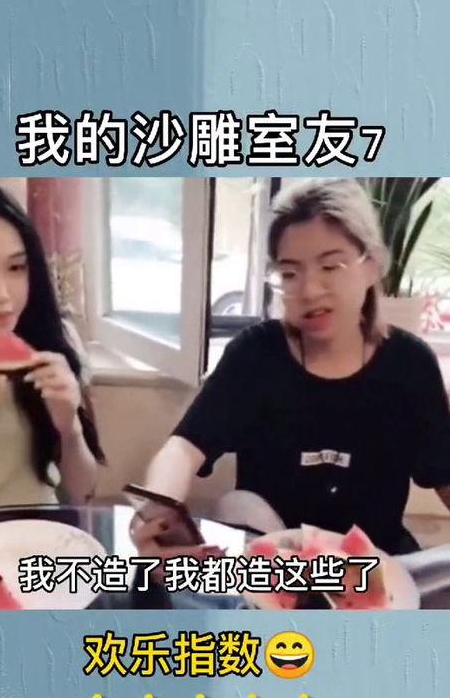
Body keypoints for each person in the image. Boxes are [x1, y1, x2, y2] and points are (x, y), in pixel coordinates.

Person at [133, 177, 450, 560]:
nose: (310, 290)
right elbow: (184, 448)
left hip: (376, 567)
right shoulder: (255, 355)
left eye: (330, 266)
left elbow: (444, 476)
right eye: (290, 273)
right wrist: (159, 512)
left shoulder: (410, 364)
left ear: (372, 265)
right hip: (271, 565)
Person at [0, 178, 105, 511]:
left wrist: (70, 429)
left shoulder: (50, 341)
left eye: (16, 267)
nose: (2, 295)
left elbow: (82, 492)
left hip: (41, 533)